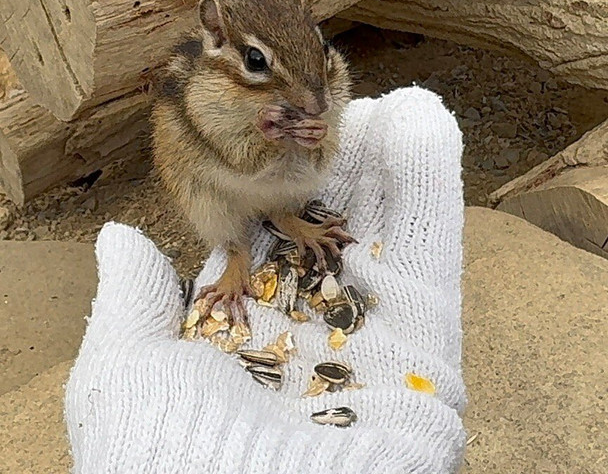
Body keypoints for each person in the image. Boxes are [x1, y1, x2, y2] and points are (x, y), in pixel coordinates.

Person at [65, 87, 467, 473]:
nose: (312, 98)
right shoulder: (206, 105)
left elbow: (311, 150)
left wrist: (309, 135)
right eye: (258, 64)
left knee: (305, 173)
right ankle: (237, 253)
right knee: (217, 209)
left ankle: (285, 216)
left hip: (282, 187)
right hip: (221, 187)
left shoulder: (315, 90)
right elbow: (240, 166)